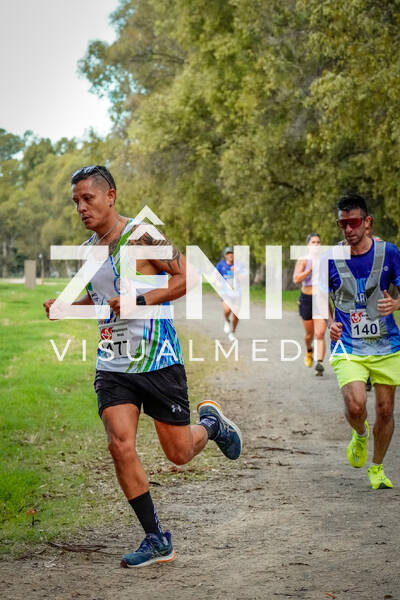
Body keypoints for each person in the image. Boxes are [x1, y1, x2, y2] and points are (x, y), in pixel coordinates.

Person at [43, 165, 242, 567]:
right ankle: (156, 538)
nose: (81, 208)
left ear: (110, 196)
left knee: (179, 453)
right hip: (113, 362)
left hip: (158, 360)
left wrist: (141, 300)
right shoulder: (88, 250)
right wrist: (67, 307)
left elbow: (188, 277)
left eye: (87, 198)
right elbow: (101, 297)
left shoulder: (142, 236)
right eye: (76, 201)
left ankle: (212, 425)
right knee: (119, 444)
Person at [328, 194, 400, 489]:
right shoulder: (331, 257)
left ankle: (377, 468)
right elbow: (322, 296)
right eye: (342, 224)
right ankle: (360, 434)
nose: (348, 229)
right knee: (356, 406)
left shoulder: (389, 252)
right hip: (348, 345)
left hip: (386, 345)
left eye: (354, 222)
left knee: (385, 410)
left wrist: (396, 303)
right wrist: (329, 323)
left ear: (367, 222)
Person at [293, 233, 327, 376]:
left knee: (320, 333)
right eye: (313, 242)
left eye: (318, 242)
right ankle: (309, 350)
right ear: (308, 245)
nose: (316, 244)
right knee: (309, 334)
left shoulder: (325, 259)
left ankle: (320, 363)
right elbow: (296, 279)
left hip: (321, 299)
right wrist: (309, 270)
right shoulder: (304, 260)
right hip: (306, 299)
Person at [216, 246, 241, 342]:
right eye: (228, 253)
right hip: (225, 293)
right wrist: (217, 282)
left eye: (231, 253)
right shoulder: (221, 265)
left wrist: (237, 272)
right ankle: (227, 320)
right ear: (225, 255)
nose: (230, 255)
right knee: (227, 310)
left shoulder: (238, 265)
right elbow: (215, 275)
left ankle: (232, 333)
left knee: (236, 315)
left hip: (237, 293)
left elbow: (244, 279)